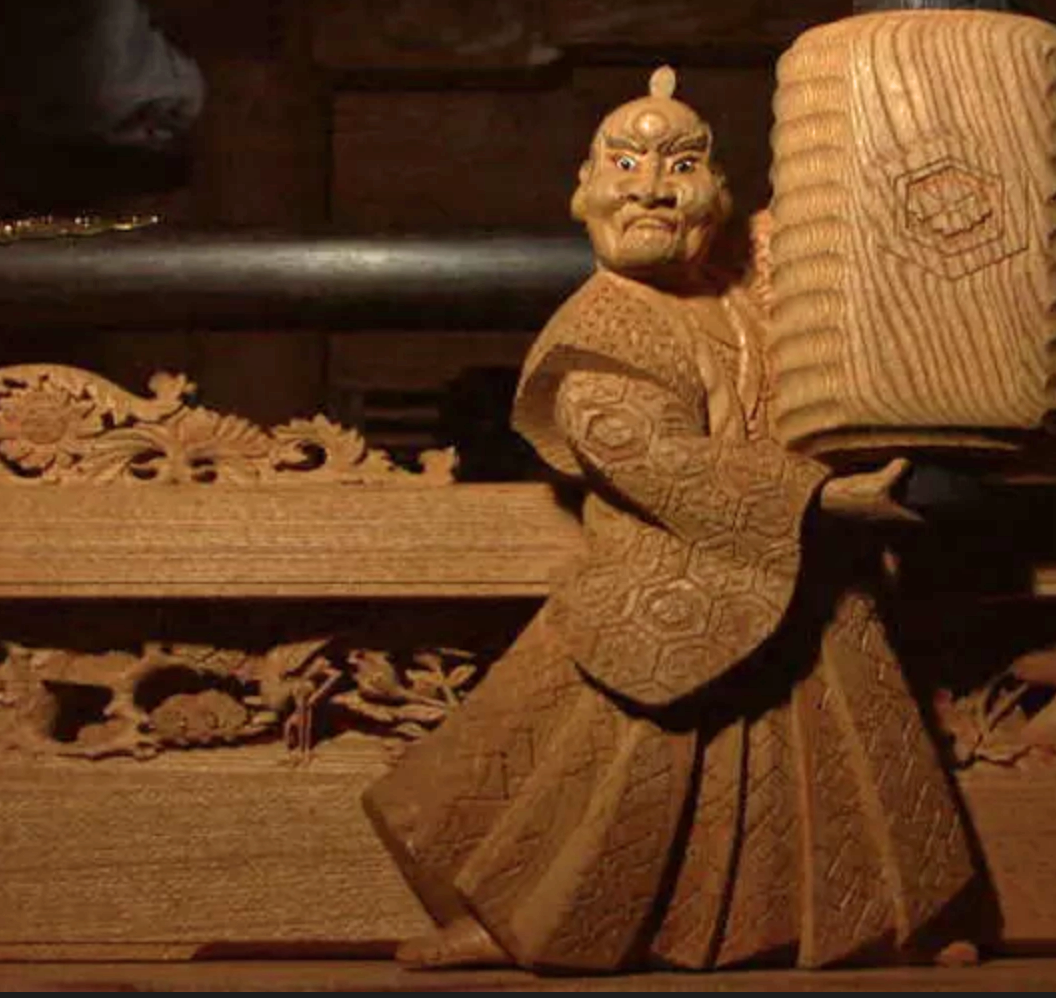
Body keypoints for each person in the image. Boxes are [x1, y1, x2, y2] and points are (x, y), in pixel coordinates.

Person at [364, 68, 977, 973]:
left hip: (802, 581)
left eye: (681, 166)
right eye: (625, 164)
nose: (651, 188)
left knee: (848, 763)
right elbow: (649, 454)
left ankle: (889, 921)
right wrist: (815, 497)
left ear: (716, 197)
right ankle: (518, 920)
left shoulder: (735, 287)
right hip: (666, 589)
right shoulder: (600, 328)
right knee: (610, 778)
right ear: (584, 190)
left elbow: (821, 230)